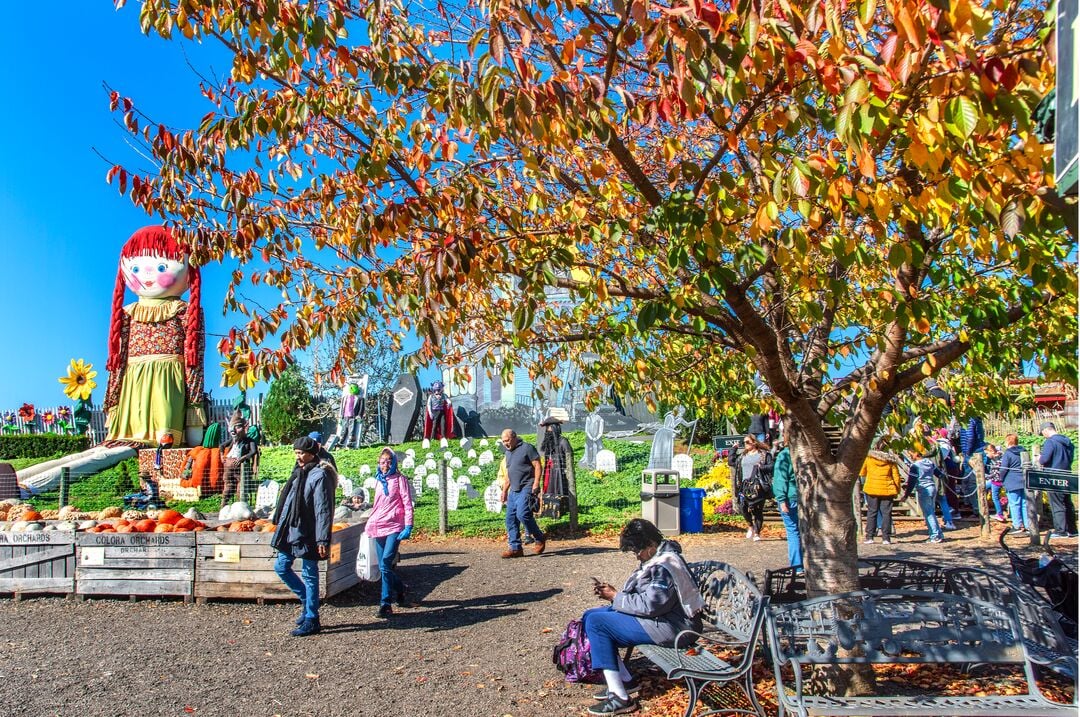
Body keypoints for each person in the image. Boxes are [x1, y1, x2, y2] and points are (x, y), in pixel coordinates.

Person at [582, 518, 704, 715]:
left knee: (597, 623)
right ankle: (625, 680)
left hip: (676, 628)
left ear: (651, 545)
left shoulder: (665, 565)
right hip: (665, 621)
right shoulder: (658, 557)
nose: (637, 556)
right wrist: (616, 597)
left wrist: (615, 597)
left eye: (637, 551)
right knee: (591, 616)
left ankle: (620, 697)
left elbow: (652, 605)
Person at [104, 226, 207, 446]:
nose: (148, 276)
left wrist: (194, 418)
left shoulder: (184, 312)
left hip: (168, 388)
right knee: (123, 444)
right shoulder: (127, 314)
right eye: (137, 269)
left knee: (164, 441)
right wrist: (113, 402)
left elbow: (193, 364)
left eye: (161, 267)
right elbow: (117, 364)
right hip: (132, 390)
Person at [271, 435, 337, 637]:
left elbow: (323, 509)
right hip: (292, 529)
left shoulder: (320, 476)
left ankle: (312, 618)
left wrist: (322, 539)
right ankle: (307, 601)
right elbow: (289, 500)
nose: (298, 457)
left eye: (301, 453)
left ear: (311, 454)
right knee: (281, 566)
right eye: (296, 453)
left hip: (310, 531)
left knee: (310, 573)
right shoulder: (298, 472)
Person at [364, 447, 414, 618]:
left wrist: (408, 525)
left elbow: (407, 503)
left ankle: (385, 603)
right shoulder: (378, 480)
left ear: (394, 463)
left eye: (389, 462)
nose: (385, 465)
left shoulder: (400, 480)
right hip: (379, 525)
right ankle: (400, 589)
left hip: (394, 525)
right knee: (383, 566)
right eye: (382, 462)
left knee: (386, 562)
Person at [499, 429, 545, 557]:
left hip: (527, 487)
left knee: (523, 514)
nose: (505, 444)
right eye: (503, 441)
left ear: (514, 437)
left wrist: (536, 483)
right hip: (513, 490)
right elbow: (508, 474)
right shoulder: (508, 453)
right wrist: (504, 491)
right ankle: (515, 548)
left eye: (507, 440)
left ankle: (539, 537)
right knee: (510, 519)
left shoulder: (527, 448)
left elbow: (537, 465)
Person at [859, 439, 903, 545]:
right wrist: (897, 489)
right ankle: (886, 538)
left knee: (872, 512)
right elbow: (896, 477)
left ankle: (870, 536)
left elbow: (862, 472)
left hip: (872, 488)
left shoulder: (869, 459)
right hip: (887, 490)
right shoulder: (890, 461)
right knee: (886, 514)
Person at [1038, 422, 1077, 539]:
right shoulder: (1067, 441)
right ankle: (1072, 529)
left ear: (1046, 430)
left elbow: (1044, 459)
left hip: (1053, 476)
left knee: (1056, 504)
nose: (1043, 435)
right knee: (1067, 502)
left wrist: (1039, 458)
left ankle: (1061, 530)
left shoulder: (1050, 442)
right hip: (1066, 474)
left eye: (1042, 433)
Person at [901, 444, 946, 543]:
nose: (910, 456)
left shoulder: (915, 466)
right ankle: (938, 533)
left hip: (924, 490)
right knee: (931, 512)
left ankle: (935, 536)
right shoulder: (929, 462)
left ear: (916, 453)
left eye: (911, 454)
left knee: (928, 513)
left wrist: (906, 495)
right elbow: (938, 474)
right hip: (932, 488)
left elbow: (911, 482)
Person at [729, 435, 771, 541]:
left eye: (747, 442)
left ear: (754, 442)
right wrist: (734, 449)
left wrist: (762, 467)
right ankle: (750, 526)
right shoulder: (743, 456)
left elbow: (771, 466)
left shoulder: (763, 455)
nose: (745, 444)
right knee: (743, 507)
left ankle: (757, 533)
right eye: (744, 442)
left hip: (758, 485)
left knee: (758, 510)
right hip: (744, 485)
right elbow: (731, 461)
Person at [771, 435, 801, 567]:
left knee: (793, 531)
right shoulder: (806, 453)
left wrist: (782, 500)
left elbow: (780, 479)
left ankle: (797, 565)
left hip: (790, 497)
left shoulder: (784, 455)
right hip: (805, 496)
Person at [220, 414, 257, 506]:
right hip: (229, 467)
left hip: (241, 469)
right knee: (228, 486)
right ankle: (224, 505)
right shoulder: (233, 441)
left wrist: (242, 459)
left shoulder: (249, 441)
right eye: (233, 428)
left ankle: (240, 506)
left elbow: (253, 451)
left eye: (238, 427)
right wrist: (221, 456)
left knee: (241, 487)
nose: (234, 431)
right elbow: (221, 446)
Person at [998, 433, 1028, 534]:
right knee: (1024, 503)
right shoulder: (1024, 451)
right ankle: (1028, 525)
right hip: (1023, 480)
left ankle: (1017, 525)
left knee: (1014, 503)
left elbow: (1004, 468)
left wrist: (1001, 479)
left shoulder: (1008, 453)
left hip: (1012, 480)